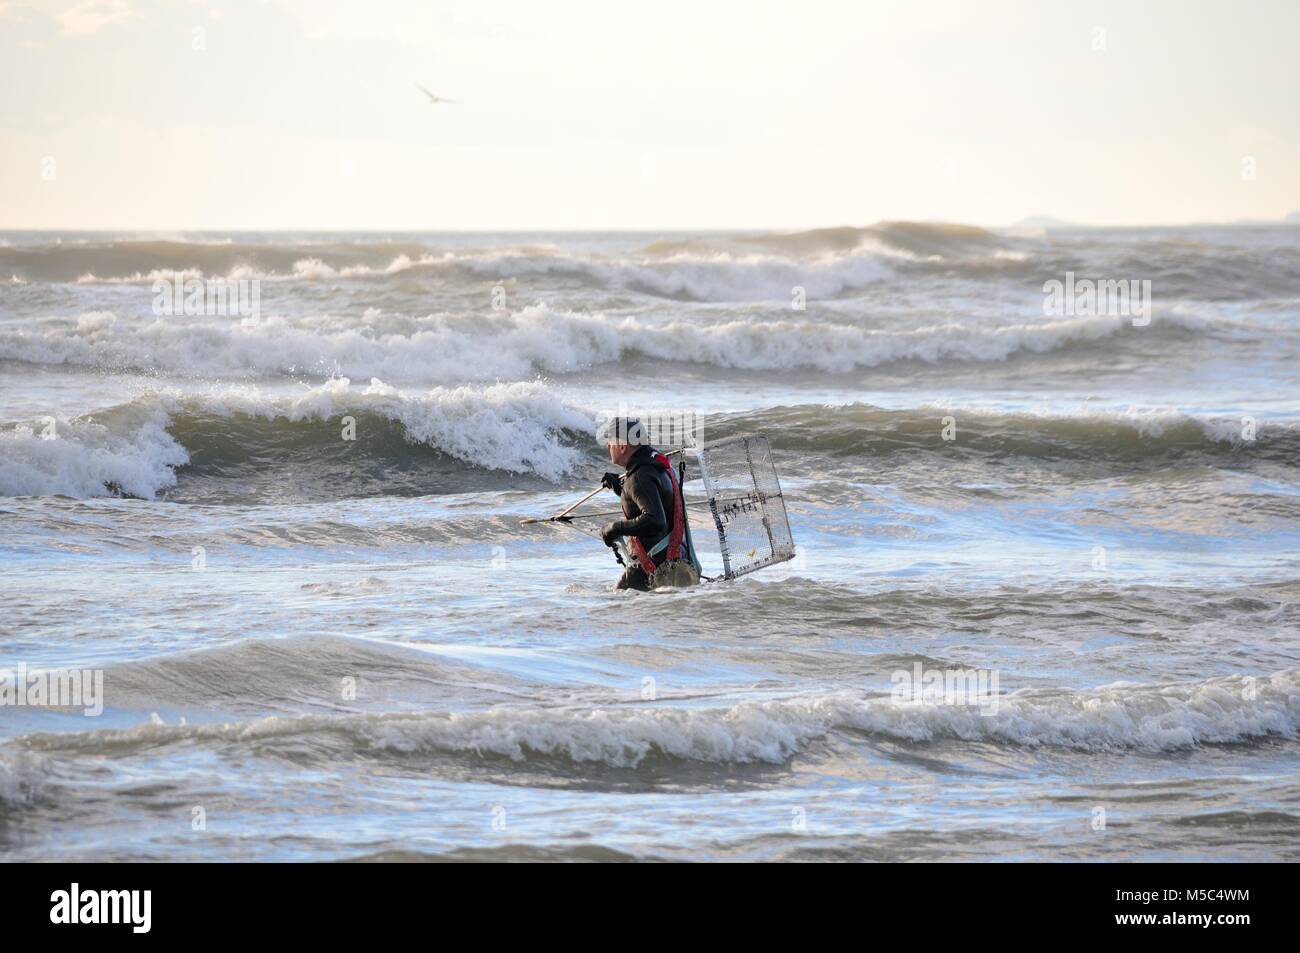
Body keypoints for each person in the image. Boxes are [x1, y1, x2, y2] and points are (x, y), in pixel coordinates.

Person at [598, 418, 702, 591]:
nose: (608, 446)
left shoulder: (638, 478)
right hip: (678, 563)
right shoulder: (657, 466)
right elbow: (655, 500)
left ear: (622, 447)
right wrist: (621, 489)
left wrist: (614, 528)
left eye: (610, 442)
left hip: (655, 571)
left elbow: (654, 520)